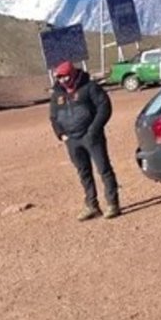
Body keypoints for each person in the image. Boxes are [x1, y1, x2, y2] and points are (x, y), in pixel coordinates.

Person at [49, 60, 120, 220]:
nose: (63, 80)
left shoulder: (89, 87)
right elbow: (53, 117)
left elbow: (104, 107)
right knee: (83, 173)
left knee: (104, 169)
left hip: (91, 136)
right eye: (59, 77)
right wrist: (62, 135)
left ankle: (112, 204)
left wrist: (94, 129)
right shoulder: (57, 94)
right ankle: (91, 205)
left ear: (72, 74)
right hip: (72, 140)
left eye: (65, 76)